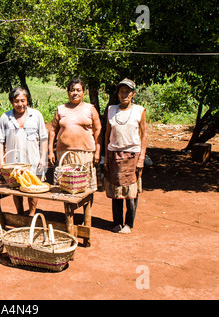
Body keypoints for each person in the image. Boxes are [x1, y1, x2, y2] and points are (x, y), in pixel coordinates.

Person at [104, 78, 148, 234]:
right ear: (118, 93)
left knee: (131, 192)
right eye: (122, 91)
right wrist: (106, 157)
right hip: (114, 154)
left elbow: (144, 136)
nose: (124, 94)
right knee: (116, 191)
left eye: (128, 92)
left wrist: (141, 158)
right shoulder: (111, 110)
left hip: (132, 155)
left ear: (133, 94)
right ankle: (117, 222)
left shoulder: (139, 111)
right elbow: (107, 134)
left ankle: (129, 223)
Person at [0, 87, 48, 216]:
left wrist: (43, 158)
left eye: (23, 100)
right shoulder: (5, 117)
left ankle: (31, 214)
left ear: (27, 100)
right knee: (16, 189)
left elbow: (44, 138)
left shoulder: (36, 115)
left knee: (32, 188)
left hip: (33, 160)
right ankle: (20, 214)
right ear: (11, 102)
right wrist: (1, 161)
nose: (20, 104)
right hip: (13, 162)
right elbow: (0, 141)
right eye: (16, 101)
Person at [48, 78, 102, 190]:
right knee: (66, 186)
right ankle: (68, 208)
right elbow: (53, 130)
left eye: (78, 90)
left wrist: (97, 152)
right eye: (72, 90)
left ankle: (87, 208)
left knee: (85, 186)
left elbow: (98, 130)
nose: (75, 93)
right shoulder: (61, 109)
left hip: (85, 154)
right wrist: (50, 152)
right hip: (64, 154)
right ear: (68, 92)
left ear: (83, 92)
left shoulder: (90, 109)